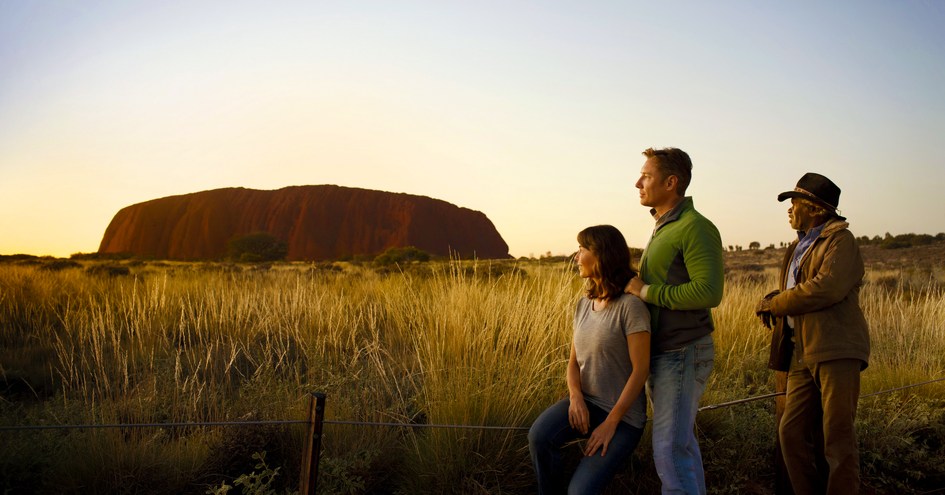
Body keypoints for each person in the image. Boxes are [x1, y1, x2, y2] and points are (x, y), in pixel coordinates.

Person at [755, 172, 870, 494]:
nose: (789, 210)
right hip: (801, 352)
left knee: (837, 438)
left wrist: (776, 304)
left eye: (795, 203)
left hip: (835, 348)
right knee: (790, 433)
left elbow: (827, 288)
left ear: (817, 210)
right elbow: (798, 289)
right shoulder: (796, 247)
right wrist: (774, 300)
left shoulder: (840, 240)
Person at [624, 147, 724, 494]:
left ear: (671, 182)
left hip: (682, 352)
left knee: (668, 450)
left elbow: (709, 292)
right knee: (679, 446)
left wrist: (647, 292)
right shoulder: (664, 226)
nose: (638, 182)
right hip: (666, 352)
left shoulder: (695, 227)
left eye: (646, 176)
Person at [528, 225, 651, 494]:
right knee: (539, 436)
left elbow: (641, 370)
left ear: (602, 255)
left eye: (582, 249)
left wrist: (610, 423)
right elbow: (573, 362)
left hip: (623, 418)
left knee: (580, 492)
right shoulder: (583, 304)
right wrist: (575, 398)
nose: (576, 256)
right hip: (588, 403)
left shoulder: (631, 307)